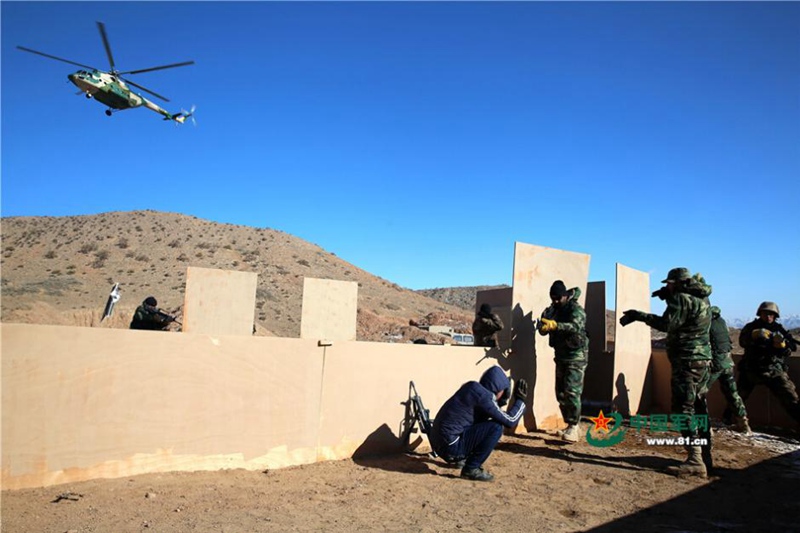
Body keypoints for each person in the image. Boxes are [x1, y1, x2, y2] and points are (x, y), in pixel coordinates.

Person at [620, 268, 713, 478]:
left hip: (687, 361)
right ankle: (705, 454)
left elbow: (667, 324)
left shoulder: (681, 298)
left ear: (678, 283)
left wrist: (639, 315)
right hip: (702, 360)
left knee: (683, 409)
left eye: (670, 283)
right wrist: (669, 297)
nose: (667, 286)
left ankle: (695, 460)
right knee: (698, 405)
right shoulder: (703, 298)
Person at [430, 366, 527, 482]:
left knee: (483, 423)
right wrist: (520, 401)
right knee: (496, 428)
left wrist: (498, 403)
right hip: (450, 448)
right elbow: (510, 421)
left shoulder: (471, 387)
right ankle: (471, 468)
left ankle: (462, 461)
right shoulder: (484, 397)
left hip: (440, 443)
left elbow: (482, 415)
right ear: (498, 389)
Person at [537, 280, 588, 443]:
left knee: (572, 392)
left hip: (576, 357)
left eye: (558, 298)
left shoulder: (576, 309)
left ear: (565, 295)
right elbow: (544, 327)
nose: (556, 301)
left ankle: (574, 426)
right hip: (560, 356)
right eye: (553, 298)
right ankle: (570, 425)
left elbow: (575, 326)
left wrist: (556, 325)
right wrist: (543, 327)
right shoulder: (553, 309)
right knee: (560, 393)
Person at [737, 301, 800, 425]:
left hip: (773, 370)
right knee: (737, 398)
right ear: (760, 314)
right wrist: (753, 337)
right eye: (765, 314)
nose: (768, 317)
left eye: (772, 314)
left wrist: (782, 345)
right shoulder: (751, 327)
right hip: (752, 369)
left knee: (790, 397)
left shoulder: (779, 329)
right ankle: (727, 420)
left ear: (775, 316)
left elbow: (791, 348)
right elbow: (742, 342)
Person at [708, 305, 751, 434]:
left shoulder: (705, 323)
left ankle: (704, 427)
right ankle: (743, 423)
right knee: (732, 394)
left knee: (698, 394)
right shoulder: (721, 321)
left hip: (714, 364)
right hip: (727, 363)